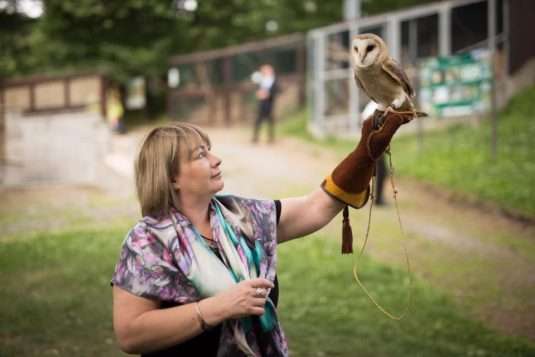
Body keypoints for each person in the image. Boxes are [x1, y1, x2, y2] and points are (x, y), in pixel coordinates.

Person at [111, 110, 413, 356]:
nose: (216, 160)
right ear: (172, 177)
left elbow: (315, 207)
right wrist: (218, 307)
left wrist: (365, 152)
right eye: (201, 155)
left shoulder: (242, 216)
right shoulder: (146, 242)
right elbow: (130, 334)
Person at [252, 64, 278, 143]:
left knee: (270, 120)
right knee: (258, 120)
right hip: (261, 103)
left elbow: (276, 90)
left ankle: (271, 137)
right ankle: (255, 137)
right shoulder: (261, 80)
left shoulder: (274, 80)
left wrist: (268, 94)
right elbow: (257, 90)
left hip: (269, 103)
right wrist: (259, 94)